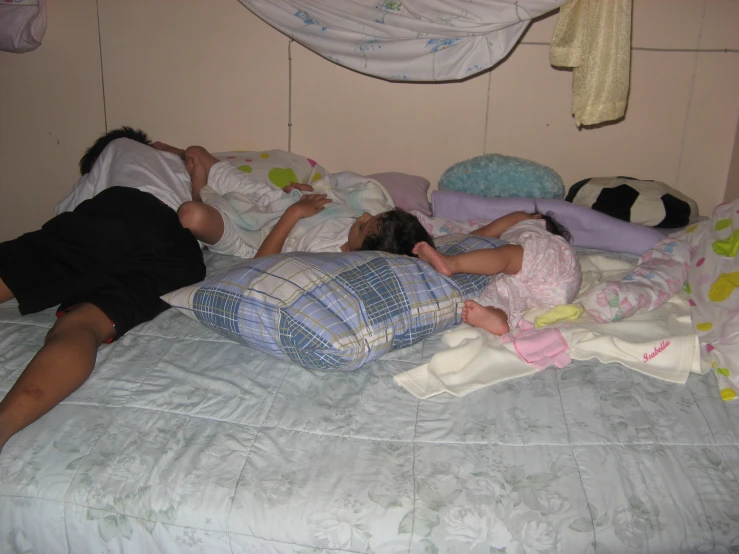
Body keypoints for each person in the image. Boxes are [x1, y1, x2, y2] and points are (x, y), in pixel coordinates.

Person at [0, 128, 206, 454]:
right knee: (85, 323)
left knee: (20, 265)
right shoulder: (185, 169)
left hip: (129, 210)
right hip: (182, 255)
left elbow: (67, 215)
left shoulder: (119, 147)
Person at [154, 143, 434, 258]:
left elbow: (261, 264)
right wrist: (308, 190)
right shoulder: (363, 223)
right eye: (369, 217)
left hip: (252, 237)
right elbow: (337, 197)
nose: (362, 216)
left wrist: (294, 214)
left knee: (190, 214)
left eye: (363, 226)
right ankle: (183, 158)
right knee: (196, 151)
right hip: (272, 201)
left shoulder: (328, 257)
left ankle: (199, 191)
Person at [413, 210, 581, 336]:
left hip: (552, 259)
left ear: (537, 217)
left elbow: (482, 234)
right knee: (501, 291)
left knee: (506, 256)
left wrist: (450, 245)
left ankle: (451, 263)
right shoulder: (528, 254)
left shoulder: (526, 220)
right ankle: (497, 317)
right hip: (554, 295)